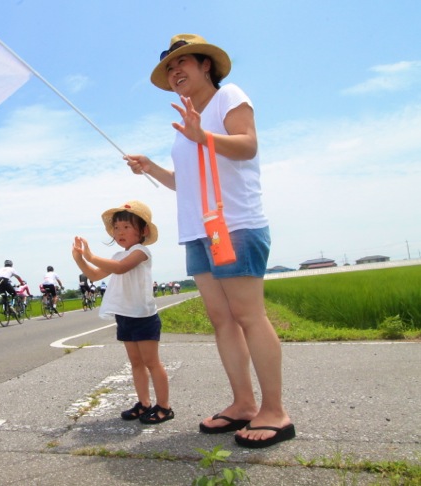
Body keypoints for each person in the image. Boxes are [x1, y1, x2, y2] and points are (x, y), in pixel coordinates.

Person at [125, 34, 294, 448]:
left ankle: (276, 411)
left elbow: (248, 145)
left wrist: (205, 137)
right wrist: (151, 169)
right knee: (222, 320)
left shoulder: (228, 97)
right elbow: (185, 182)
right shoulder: (187, 123)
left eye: (183, 63)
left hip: (234, 224)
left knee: (248, 316)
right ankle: (243, 404)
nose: (175, 72)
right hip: (199, 232)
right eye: (169, 68)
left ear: (206, 66)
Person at [72, 200, 173, 425]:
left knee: (152, 362)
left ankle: (164, 407)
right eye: (116, 228)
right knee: (136, 363)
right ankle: (144, 403)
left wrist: (90, 255)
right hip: (125, 316)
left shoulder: (141, 252)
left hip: (143, 316)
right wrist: (80, 259)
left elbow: (120, 268)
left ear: (143, 230)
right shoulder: (117, 255)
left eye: (126, 227)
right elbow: (96, 275)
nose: (119, 232)